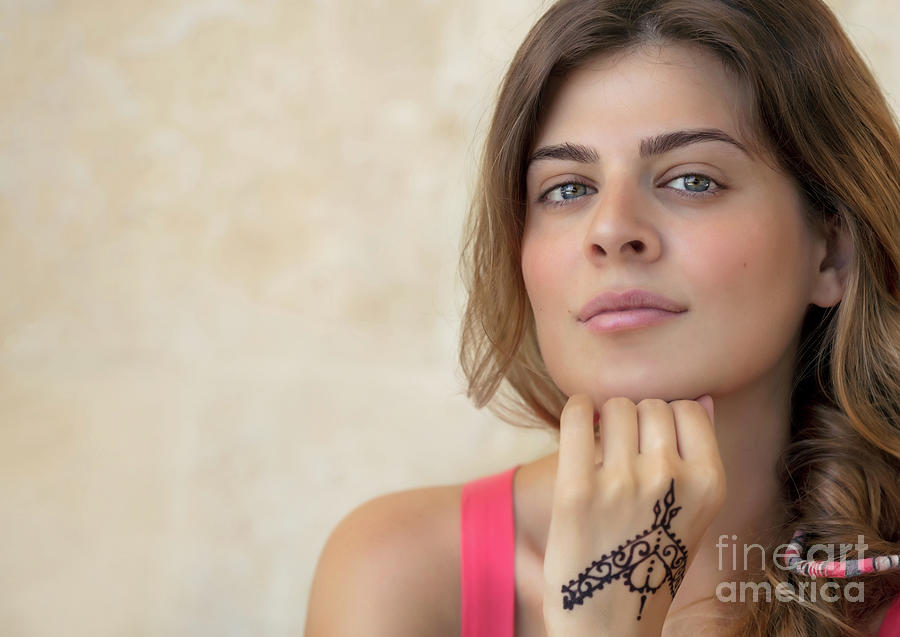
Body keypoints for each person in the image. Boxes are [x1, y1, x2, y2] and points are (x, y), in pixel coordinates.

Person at [304, 0, 900, 635]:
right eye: (568, 188)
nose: (611, 230)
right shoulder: (399, 573)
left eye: (691, 180)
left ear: (832, 251)